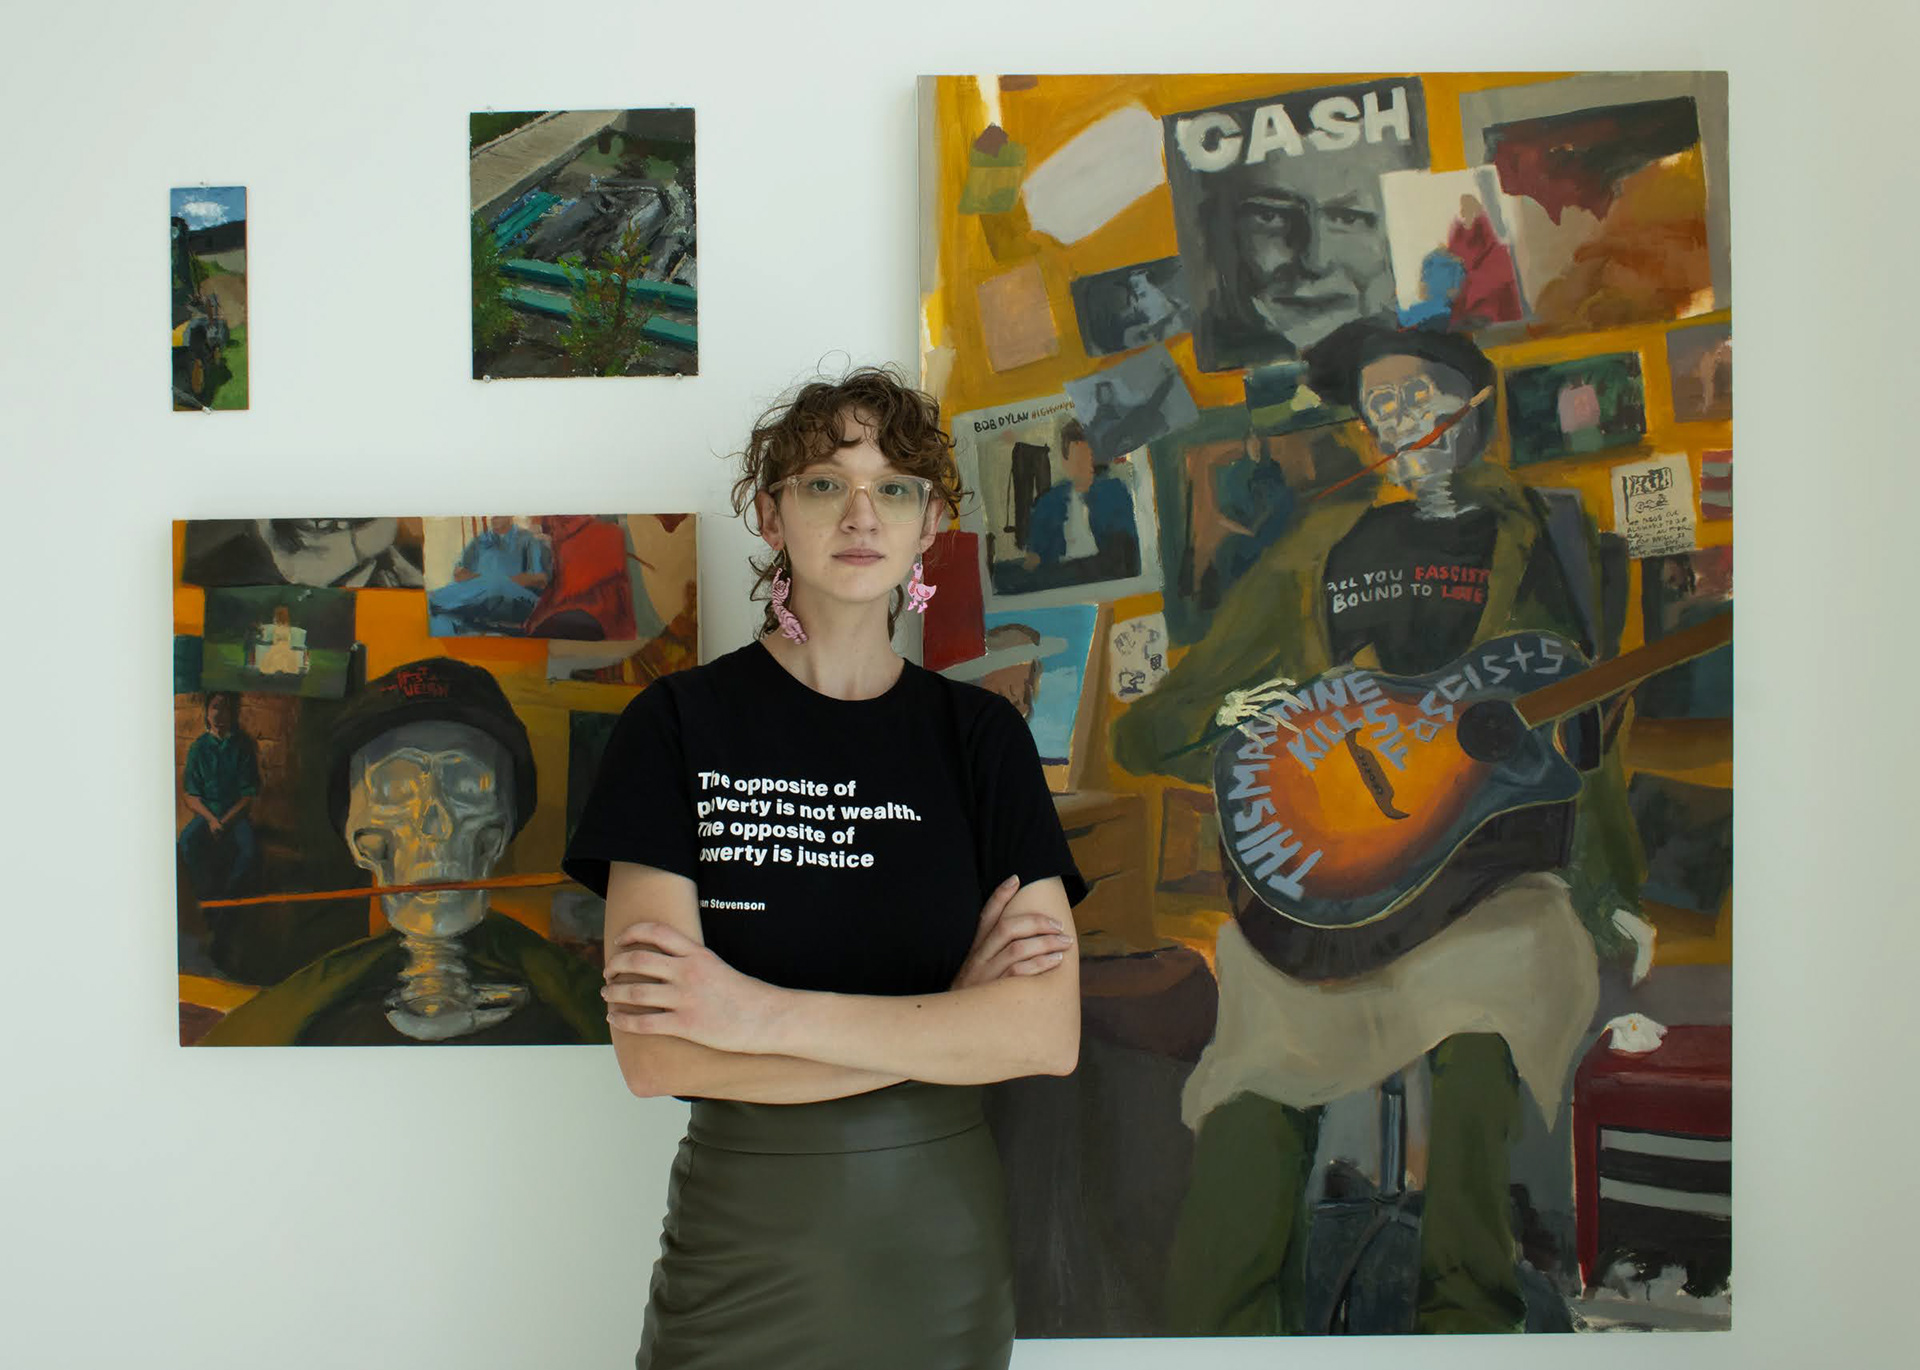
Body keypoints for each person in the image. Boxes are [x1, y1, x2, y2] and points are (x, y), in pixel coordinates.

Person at [1113, 322, 1641, 1334]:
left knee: (1481, 1044)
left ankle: (1465, 1326)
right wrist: (1236, 721)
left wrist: (1612, 887)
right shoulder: (1318, 544)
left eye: (1420, 395)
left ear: (1473, 405)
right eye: (1381, 405)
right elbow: (1157, 725)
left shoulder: (1550, 537)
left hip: (1489, 885)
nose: (1401, 420)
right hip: (1339, 874)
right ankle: (1222, 1335)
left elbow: (1585, 739)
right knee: (1250, 1090)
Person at [562, 365, 1089, 1370]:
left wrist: (754, 1014)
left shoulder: (981, 738)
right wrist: (952, 1021)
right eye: (823, 483)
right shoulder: (675, 724)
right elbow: (657, 1058)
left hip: (938, 1261)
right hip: (738, 1258)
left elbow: (1043, 1033)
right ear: (771, 513)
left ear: (931, 523)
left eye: (894, 487)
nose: (861, 513)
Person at [199, 656, 608, 1046]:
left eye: (468, 785)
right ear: (363, 842)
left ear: (496, 836)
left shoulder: (576, 1016)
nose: (435, 822)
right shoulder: (303, 1026)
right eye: (395, 787)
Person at [1023, 419, 1138, 579]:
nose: (1086, 467)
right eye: (1078, 461)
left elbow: (1125, 557)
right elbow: (1034, 558)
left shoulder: (1114, 493)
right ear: (1065, 462)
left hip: (1103, 577)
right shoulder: (1048, 503)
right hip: (1059, 580)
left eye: (1089, 459)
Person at [177, 691, 260, 899]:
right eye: (215, 707)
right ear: (207, 712)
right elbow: (191, 795)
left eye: (225, 709)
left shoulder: (243, 746)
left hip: (235, 816)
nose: (219, 714)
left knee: (249, 851)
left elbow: (248, 795)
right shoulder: (198, 748)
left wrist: (226, 821)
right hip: (207, 815)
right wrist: (212, 820)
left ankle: (229, 898)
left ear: (233, 713)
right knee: (186, 842)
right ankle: (205, 896)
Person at [427, 516, 553, 635]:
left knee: (495, 584)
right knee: (441, 620)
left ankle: (435, 600)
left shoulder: (528, 539)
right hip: (480, 599)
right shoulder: (480, 541)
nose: (493, 516)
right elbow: (459, 574)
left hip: (518, 598)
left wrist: (501, 581)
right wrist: (484, 580)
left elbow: (540, 579)